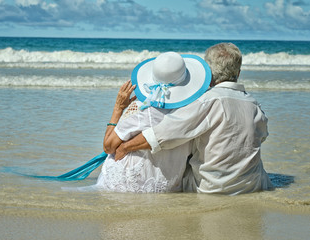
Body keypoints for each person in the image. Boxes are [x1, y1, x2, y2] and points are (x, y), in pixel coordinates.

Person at [115, 43, 274, 195]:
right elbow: (263, 135)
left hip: (213, 188)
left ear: (209, 72)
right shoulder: (253, 104)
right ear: (238, 73)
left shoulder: (207, 101)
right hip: (254, 184)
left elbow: (165, 134)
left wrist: (125, 147)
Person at [95, 52, 212, 193]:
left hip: (124, 183)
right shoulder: (195, 110)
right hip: (168, 184)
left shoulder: (142, 109)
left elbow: (108, 147)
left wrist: (118, 108)